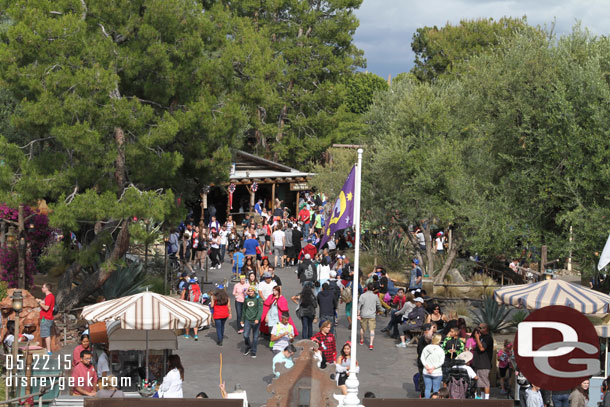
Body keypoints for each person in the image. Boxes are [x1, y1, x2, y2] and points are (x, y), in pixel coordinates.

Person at [358, 282, 383, 350]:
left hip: (364, 314)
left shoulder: (362, 295)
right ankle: (371, 344)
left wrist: (358, 314)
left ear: (367, 288)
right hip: (372, 315)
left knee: (363, 328)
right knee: (372, 329)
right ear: (373, 288)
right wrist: (382, 310)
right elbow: (379, 305)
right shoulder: (375, 296)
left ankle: (362, 339)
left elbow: (359, 305)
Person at [472, 322, 494, 400]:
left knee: (485, 382)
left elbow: (482, 348)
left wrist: (477, 338)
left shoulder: (488, 338)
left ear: (485, 329)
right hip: (478, 363)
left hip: (484, 364)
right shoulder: (482, 337)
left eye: (480, 328)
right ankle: (482, 398)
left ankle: (486, 399)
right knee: (480, 383)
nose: (478, 329)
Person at [241, 285, 263, 358]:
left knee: (255, 337)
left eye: (251, 291)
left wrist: (257, 318)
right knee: (245, 335)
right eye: (249, 291)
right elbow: (244, 309)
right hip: (248, 319)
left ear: (254, 291)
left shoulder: (258, 299)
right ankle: (248, 346)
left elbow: (260, 310)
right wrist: (242, 320)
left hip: (255, 321)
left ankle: (253, 351)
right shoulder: (246, 299)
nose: (250, 292)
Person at [420, 334, 445, 398]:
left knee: (427, 388)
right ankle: (434, 403)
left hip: (426, 371)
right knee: (436, 389)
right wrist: (433, 367)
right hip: (437, 372)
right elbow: (441, 361)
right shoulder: (441, 350)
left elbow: (422, 358)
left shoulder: (426, 347)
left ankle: (427, 402)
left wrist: (426, 366)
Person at [37, 282, 55, 354]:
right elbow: (45, 303)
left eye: (43, 287)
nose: (42, 288)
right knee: (45, 333)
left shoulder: (49, 296)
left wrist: (39, 303)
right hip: (45, 317)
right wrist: (40, 301)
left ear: (47, 289)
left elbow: (46, 308)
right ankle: (47, 349)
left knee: (46, 334)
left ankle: (48, 350)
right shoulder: (48, 297)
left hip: (46, 318)